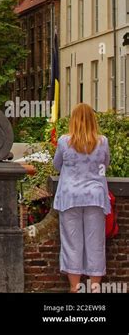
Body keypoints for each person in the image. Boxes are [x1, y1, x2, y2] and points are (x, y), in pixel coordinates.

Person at [53, 103, 111, 293]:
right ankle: (94, 287)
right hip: (95, 196)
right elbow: (105, 164)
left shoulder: (64, 141)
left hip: (70, 197)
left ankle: (75, 287)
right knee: (95, 243)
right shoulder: (102, 141)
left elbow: (56, 165)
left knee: (72, 242)